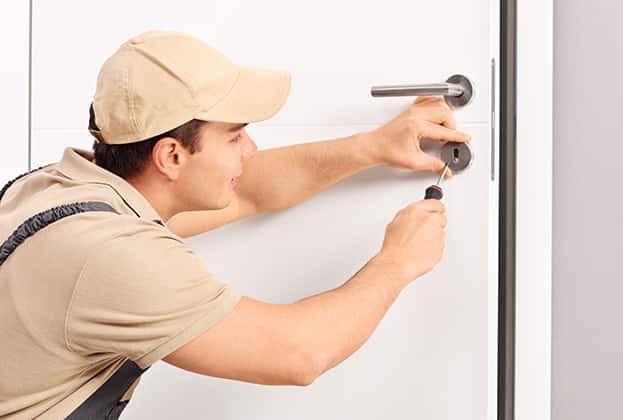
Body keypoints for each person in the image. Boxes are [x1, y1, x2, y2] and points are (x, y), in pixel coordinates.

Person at [0, 30, 471, 419]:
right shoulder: (112, 258)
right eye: (234, 134)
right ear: (172, 155)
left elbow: (249, 189)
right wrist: (398, 261)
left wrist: (373, 147)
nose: (250, 149)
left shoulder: (59, 188)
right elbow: (298, 353)